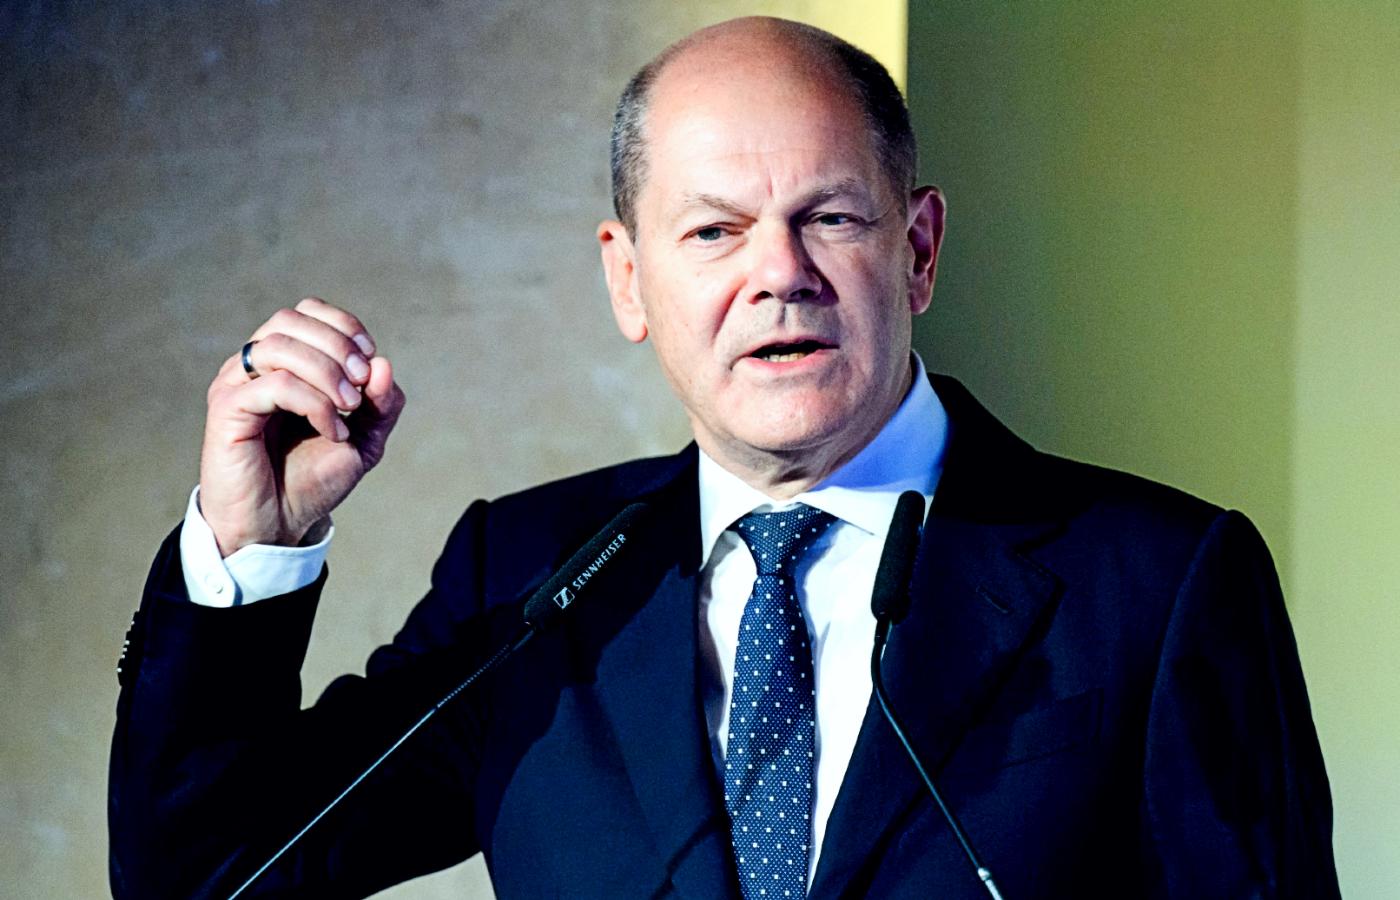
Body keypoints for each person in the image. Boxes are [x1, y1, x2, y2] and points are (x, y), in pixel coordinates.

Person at [109, 16, 1339, 899]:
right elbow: (208, 875)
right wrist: (253, 546)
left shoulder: (1157, 580)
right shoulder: (529, 577)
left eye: (829, 217)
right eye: (713, 232)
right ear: (627, 279)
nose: (777, 275)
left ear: (916, 249)